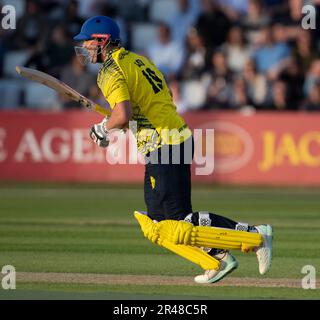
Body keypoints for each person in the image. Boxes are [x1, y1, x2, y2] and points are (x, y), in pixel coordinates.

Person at [73, 16, 273, 284]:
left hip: (164, 143)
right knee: (156, 225)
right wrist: (117, 123)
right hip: (169, 138)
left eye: (87, 40)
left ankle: (256, 235)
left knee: (180, 221)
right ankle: (216, 260)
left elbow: (122, 114)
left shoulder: (109, 71)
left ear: (102, 40)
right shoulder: (137, 60)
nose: (85, 46)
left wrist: (103, 129)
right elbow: (147, 106)